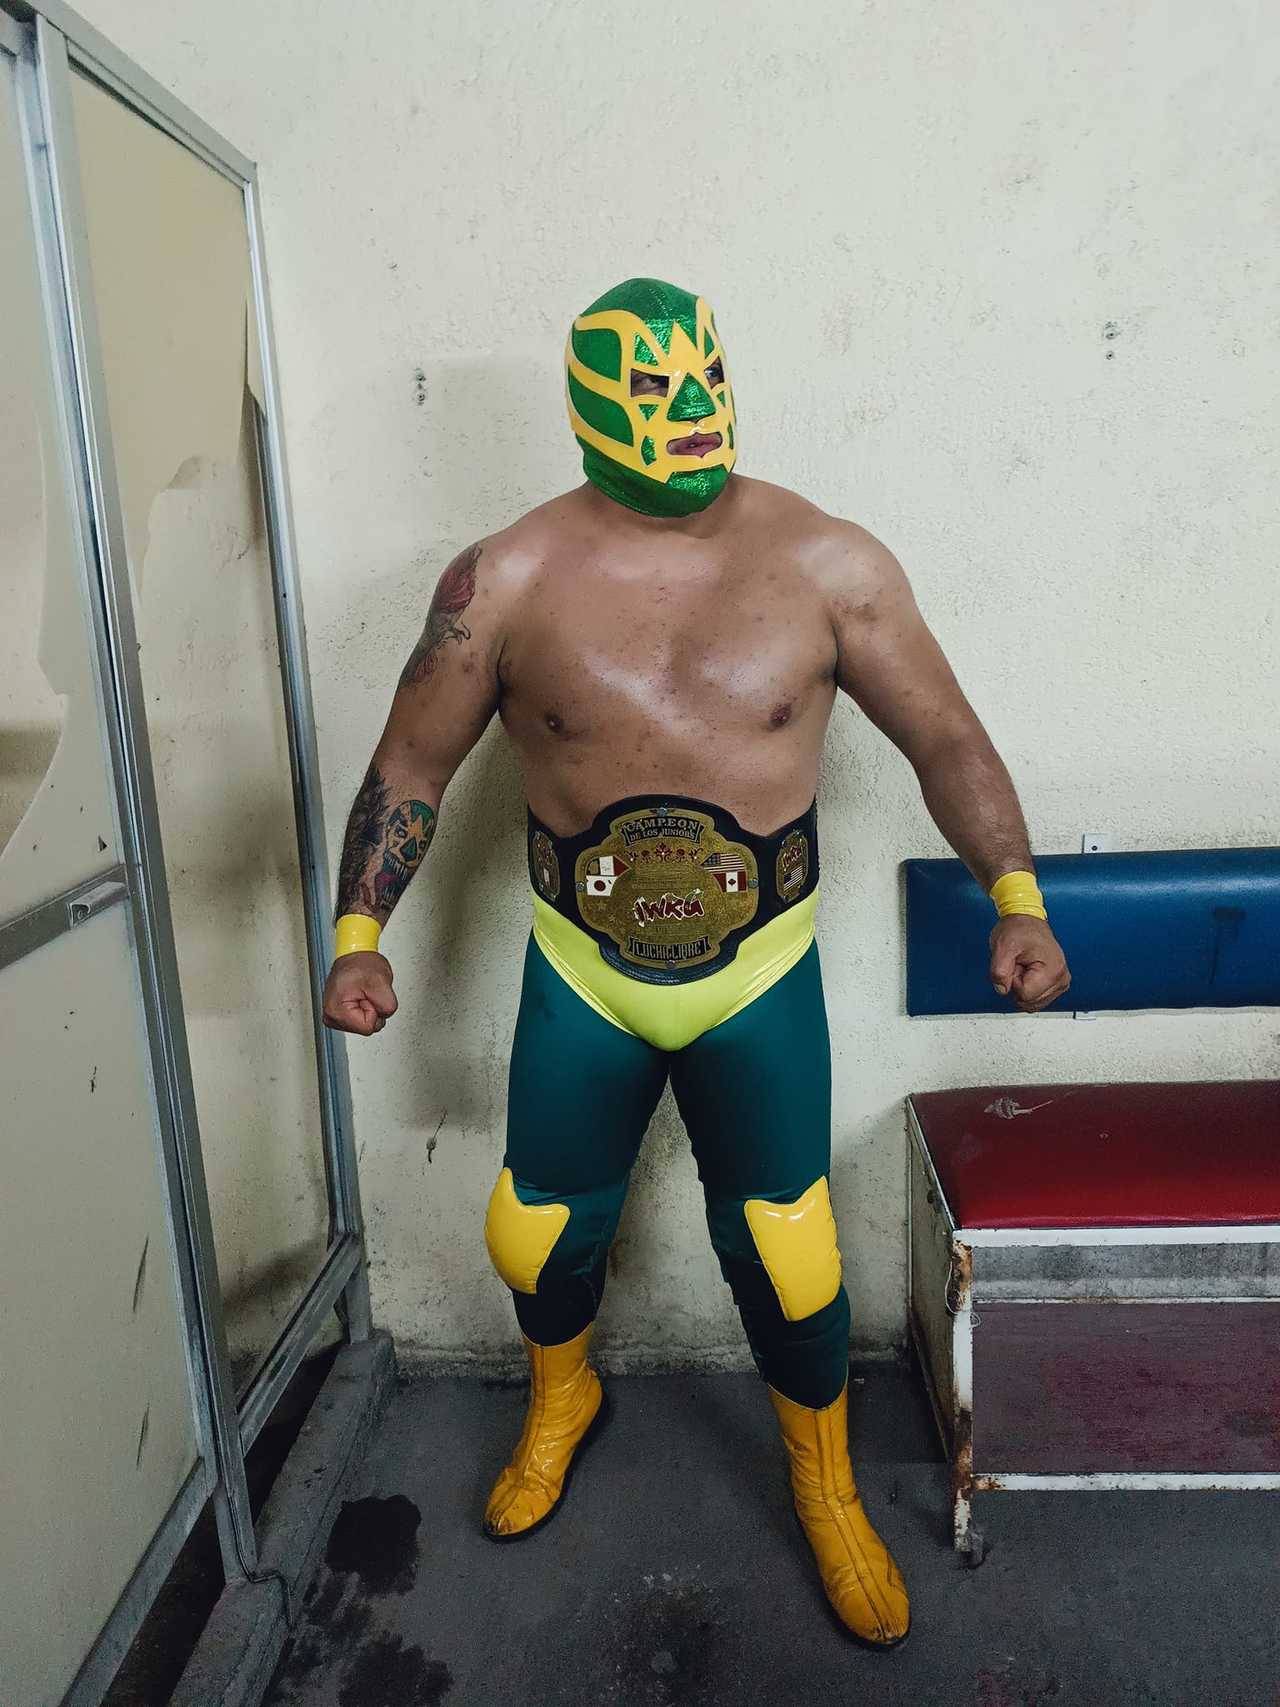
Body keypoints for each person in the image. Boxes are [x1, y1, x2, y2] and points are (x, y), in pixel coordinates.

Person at [322, 276, 1071, 1649]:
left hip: (756, 973)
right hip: (585, 969)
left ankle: (826, 1485)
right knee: (533, 1230)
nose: (684, 414)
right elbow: (410, 766)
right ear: (590, 408)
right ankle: (564, 1398)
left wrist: (1015, 899)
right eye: (652, 393)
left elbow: (947, 739)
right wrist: (358, 933)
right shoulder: (505, 578)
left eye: (698, 384)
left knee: (791, 1254)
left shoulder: (831, 564)